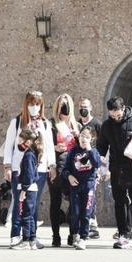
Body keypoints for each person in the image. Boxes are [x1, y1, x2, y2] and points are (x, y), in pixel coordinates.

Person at [96, 96, 132, 250]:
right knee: (120, 203)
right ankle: (124, 234)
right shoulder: (107, 126)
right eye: (112, 115)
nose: (115, 118)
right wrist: (100, 156)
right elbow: (101, 145)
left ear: (123, 109)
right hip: (116, 168)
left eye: (117, 114)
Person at [0, 91, 56, 249]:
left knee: (33, 204)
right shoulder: (17, 121)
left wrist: (52, 165)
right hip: (20, 168)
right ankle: (16, 234)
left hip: (40, 169)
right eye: (31, 104)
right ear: (26, 104)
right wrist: (7, 166)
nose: (34, 107)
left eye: (37, 104)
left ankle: (31, 235)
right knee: (19, 202)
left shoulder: (45, 123)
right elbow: (9, 145)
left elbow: (49, 146)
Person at [63, 129, 102, 250]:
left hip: (88, 186)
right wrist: (69, 176)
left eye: (87, 137)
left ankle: (83, 237)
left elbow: (97, 164)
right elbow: (65, 169)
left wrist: (89, 150)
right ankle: (75, 234)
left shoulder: (93, 151)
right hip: (75, 187)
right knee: (74, 213)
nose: (84, 139)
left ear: (91, 139)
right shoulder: (73, 151)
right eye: (82, 136)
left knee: (86, 213)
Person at [49, 93, 79, 247]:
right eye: (61, 104)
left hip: (74, 169)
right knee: (55, 202)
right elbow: (44, 146)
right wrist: (54, 149)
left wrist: (78, 137)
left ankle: (73, 233)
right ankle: (56, 235)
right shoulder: (51, 124)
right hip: (56, 165)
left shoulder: (76, 125)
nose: (64, 107)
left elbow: (85, 148)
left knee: (74, 203)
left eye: (67, 104)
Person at [76, 98, 104, 242]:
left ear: (91, 107)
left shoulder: (97, 124)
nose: (83, 109)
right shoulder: (77, 124)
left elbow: (104, 144)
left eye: (85, 106)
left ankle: (93, 226)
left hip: (93, 164)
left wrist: (102, 165)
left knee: (90, 194)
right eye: (81, 107)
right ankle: (85, 224)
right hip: (79, 166)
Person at [11, 128, 43, 250]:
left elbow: (29, 175)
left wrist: (23, 190)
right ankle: (32, 240)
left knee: (26, 215)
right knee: (29, 214)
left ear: (28, 141)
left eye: (21, 138)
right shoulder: (30, 153)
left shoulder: (29, 154)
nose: (19, 141)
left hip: (28, 189)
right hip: (30, 188)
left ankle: (26, 240)